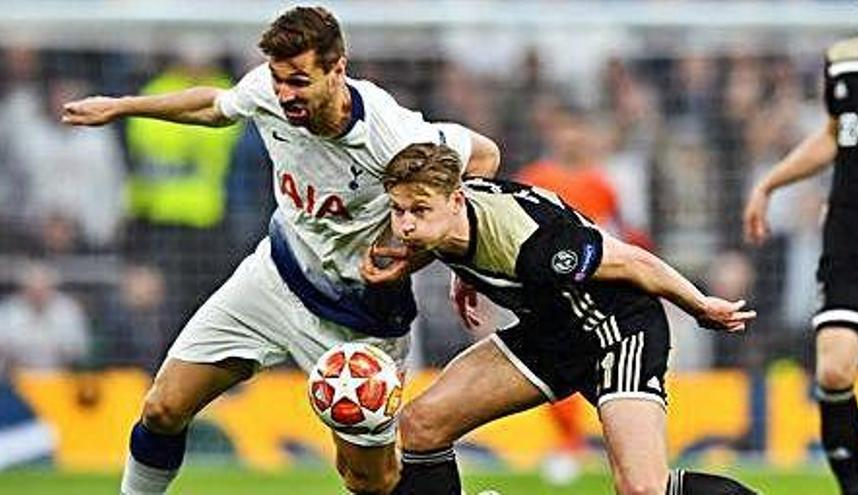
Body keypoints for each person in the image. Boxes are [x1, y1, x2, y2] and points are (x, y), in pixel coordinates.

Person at [62, 7, 499, 495]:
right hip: (275, 277)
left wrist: (431, 255)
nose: (285, 94)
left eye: (298, 81)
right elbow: (216, 106)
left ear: (338, 69)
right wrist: (121, 107)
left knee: (369, 480)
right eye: (278, 80)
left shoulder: (389, 136)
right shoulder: (269, 93)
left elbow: (483, 157)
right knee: (162, 408)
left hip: (358, 318)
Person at [361, 143, 757, 495]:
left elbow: (633, 262)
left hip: (616, 332)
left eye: (419, 210)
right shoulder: (445, 220)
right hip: (549, 334)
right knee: (421, 424)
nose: (406, 225)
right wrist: (462, 275)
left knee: (642, 487)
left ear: (457, 200)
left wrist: (700, 305)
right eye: (398, 210)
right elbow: (484, 152)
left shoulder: (532, 243)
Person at [742, 2, 858, 493]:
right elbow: (832, 135)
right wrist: (770, 184)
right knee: (835, 366)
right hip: (851, 238)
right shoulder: (842, 58)